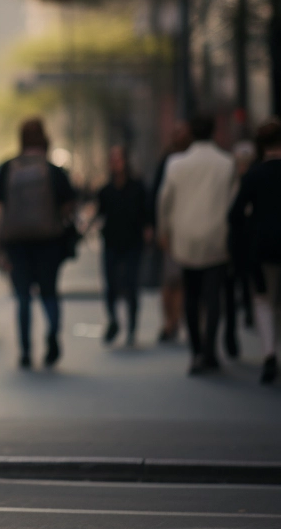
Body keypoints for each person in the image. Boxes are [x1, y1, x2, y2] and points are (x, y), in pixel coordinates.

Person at [0, 117, 76, 369]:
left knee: (23, 297)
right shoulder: (53, 170)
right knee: (49, 293)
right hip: (50, 241)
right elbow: (69, 206)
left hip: (16, 243)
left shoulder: (7, 168)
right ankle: (53, 336)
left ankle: (26, 351)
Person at [157, 114, 237, 375]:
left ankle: (195, 350)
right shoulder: (226, 163)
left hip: (186, 237)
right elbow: (234, 202)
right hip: (217, 236)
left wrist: (164, 230)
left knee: (191, 294)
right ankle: (209, 350)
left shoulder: (176, 164)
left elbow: (164, 200)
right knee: (213, 296)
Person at [229, 119, 281, 384]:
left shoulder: (253, 176)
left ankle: (270, 354)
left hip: (262, 247)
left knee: (264, 300)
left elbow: (235, 214)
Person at [92, 146, 150, 347]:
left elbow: (146, 212)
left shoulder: (137, 187)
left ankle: (132, 327)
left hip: (133, 242)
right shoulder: (105, 190)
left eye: (119, 159)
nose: (116, 163)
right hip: (111, 242)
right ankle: (114, 320)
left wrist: (148, 230)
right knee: (111, 285)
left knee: (131, 285)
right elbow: (99, 214)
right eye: (113, 159)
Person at [150, 121, 192, 342]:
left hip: (187, 227)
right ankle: (171, 321)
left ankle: (178, 321)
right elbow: (159, 198)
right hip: (175, 229)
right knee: (171, 280)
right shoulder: (168, 161)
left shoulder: (184, 161)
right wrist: (161, 229)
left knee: (182, 280)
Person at [224, 138, 258, 355]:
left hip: (253, 242)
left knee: (251, 283)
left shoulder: (256, 181)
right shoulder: (228, 182)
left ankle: (249, 312)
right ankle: (230, 332)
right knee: (229, 286)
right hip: (232, 241)